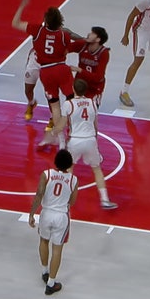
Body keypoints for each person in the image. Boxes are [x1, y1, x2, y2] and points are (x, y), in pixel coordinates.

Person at [11, 0, 85, 148]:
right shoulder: (64, 35)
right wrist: (87, 41)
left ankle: (58, 129)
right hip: (51, 66)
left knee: (54, 101)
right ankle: (33, 104)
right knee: (68, 98)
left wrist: (22, 6)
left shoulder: (37, 29)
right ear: (60, 22)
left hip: (47, 69)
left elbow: (15, 23)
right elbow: (75, 41)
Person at [60, 79, 117, 210]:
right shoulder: (92, 103)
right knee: (97, 169)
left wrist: (56, 132)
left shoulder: (68, 104)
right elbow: (95, 125)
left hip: (75, 140)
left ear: (73, 89)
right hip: (90, 139)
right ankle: (104, 199)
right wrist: (95, 141)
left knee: (68, 170)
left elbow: (63, 124)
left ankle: (63, 200)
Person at [29, 149, 77, 295]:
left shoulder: (46, 174)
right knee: (57, 250)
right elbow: (73, 202)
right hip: (61, 216)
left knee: (44, 241)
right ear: (69, 164)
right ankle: (51, 283)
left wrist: (31, 214)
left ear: (55, 161)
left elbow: (38, 194)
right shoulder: (73, 179)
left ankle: (44, 271)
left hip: (46, 213)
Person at [71, 26, 111, 107]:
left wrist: (80, 70)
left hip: (94, 87)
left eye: (93, 33)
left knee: (90, 110)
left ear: (98, 39)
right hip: (80, 84)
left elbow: (98, 77)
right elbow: (66, 48)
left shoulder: (104, 53)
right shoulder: (83, 44)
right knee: (72, 108)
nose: (89, 34)